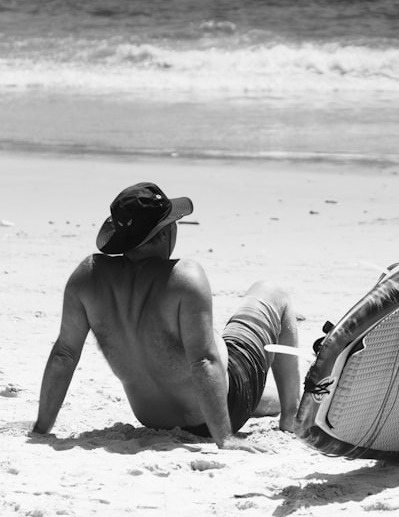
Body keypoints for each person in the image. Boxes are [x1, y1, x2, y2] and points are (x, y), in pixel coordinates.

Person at [32, 182, 300, 451]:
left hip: (152, 419)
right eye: (172, 223)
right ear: (161, 235)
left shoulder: (87, 277)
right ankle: (292, 416)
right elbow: (204, 361)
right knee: (273, 293)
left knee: (265, 400)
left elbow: (64, 355)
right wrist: (225, 438)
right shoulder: (184, 277)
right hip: (219, 412)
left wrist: (41, 430)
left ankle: (272, 403)